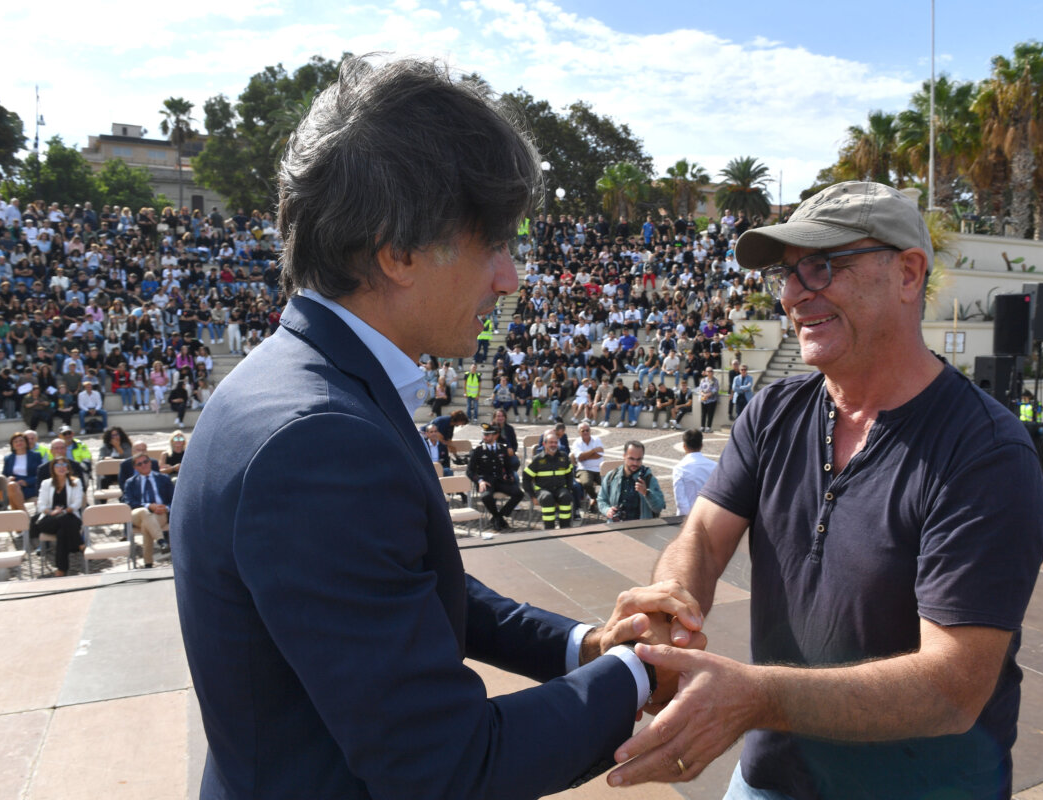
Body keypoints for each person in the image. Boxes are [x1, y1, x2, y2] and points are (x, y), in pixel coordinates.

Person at [171, 56, 672, 800]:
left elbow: (414, 588)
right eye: (492, 244)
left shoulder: (301, 386)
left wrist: (584, 648)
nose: (510, 278)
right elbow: (449, 766)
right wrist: (638, 677)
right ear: (396, 251)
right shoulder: (318, 441)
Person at [603, 181, 1043, 800]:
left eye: (820, 266)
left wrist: (753, 697)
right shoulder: (773, 410)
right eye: (787, 275)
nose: (793, 294)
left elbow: (952, 689)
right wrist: (668, 607)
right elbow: (703, 535)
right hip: (772, 777)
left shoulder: (985, 453)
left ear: (908, 273)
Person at [32, 457, 84, 577]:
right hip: (50, 519)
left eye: (64, 464)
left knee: (62, 532)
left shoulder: (76, 482)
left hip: (70, 516)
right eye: (58, 465)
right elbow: (41, 504)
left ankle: (61, 569)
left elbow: (77, 503)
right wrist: (51, 512)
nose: (61, 467)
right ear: (53, 469)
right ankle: (80, 544)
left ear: (68, 468)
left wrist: (64, 511)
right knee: (62, 520)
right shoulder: (46, 483)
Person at [466, 423, 524, 531]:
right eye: (484, 434)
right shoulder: (478, 451)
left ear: (494, 435)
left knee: (519, 494)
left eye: (487, 435)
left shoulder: (502, 449)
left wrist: (509, 475)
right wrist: (479, 481)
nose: (485, 437)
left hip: (500, 481)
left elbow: (508, 467)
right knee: (486, 497)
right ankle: (498, 518)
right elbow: (469, 471)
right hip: (486, 482)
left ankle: (498, 516)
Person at [122, 451, 173, 568]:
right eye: (139, 464)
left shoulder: (163, 478)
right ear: (135, 467)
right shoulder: (131, 482)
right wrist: (148, 506)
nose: (143, 465)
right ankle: (161, 540)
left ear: (150, 462)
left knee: (147, 525)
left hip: (160, 513)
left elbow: (175, 498)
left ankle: (148, 564)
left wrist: (166, 507)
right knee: (145, 513)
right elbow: (128, 502)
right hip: (137, 513)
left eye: (145, 462)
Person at [597, 440, 665, 522]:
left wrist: (646, 493)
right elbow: (601, 500)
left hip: (641, 529)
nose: (635, 463)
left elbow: (659, 507)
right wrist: (607, 510)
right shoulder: (611, 476)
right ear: (624, 456)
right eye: (631, 459)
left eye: (638, 459)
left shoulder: (649, 479)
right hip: (616, 528)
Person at [522, 428, 575, 529]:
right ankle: (549, 529)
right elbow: (526, 479)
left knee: (566, 496)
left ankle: (565, 528)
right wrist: (533, 497)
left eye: (555, 442)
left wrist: (568, 489)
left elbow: (569, 475)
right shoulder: (537, 459)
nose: (553, 445)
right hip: (543, 490)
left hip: (560, 488)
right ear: (544, 444)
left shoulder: (563, 457)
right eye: (551, 442)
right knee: (547, 498)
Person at [671, 428, 717, 516]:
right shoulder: (714, 466)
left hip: (690, 517)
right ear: (701, 445)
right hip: (710, 516)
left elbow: (680, 501)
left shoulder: (679, 468)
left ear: (684, 446)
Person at [3, 431, 42, 510]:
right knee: (12, 486)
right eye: (16, 441)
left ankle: (21, 515)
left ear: (26, 443)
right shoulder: (8, 458)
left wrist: (26, 482)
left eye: (21, 440)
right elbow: (4, 475)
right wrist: (8, 478)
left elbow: (40, 475)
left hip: (30, 486)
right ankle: (24, 514)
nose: (19, 443)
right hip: (14, 484)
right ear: (12, 445)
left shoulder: (35, 456)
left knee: (12, 490)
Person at [570, 419, 606, 503]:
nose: (586, 432)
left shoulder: (596, 439)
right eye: (583, 431)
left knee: (609, 484)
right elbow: (580, 458)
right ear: (579, 432)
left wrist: (585, 456)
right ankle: (597, 499)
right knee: (587, 483)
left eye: (587, 430)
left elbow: (599, 455)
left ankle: (603, 499)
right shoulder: (576, 443)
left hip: (599, 469)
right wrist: (593, 450)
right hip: (584, 469)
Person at [698, 367, 720, 433]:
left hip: (712, 400)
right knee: (703, 413)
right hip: (704, 400)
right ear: (706, 372)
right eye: (708, 371)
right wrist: (703, 394)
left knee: (710, 414)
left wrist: (707, 395)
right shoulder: (703, 380)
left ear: (712, 372)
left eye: (710, 371)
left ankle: (708, 427)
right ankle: (702, 427)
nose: (709, 372)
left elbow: (715, 389)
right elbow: (700, 389)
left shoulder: (715, 380)